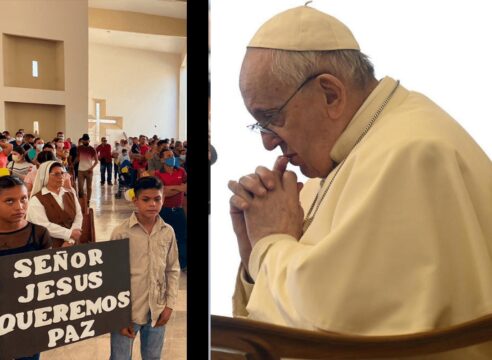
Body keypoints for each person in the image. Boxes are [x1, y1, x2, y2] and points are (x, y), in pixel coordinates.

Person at [227, 5, 492, 359]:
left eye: (271, 117)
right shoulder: (347, 155)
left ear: (330, 94)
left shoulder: (409, 154)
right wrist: (252, 255)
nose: (268, 142)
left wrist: (270, 245)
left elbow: (335, 332)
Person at [109, 176, 180, 359]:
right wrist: (118, 316)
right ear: (135, 201)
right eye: (146, 199)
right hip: (129, 312)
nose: (152, 204)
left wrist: (169, 305)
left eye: (157, 199)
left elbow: (172, 269)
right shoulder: (121, 232)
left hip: (157, 310)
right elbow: (112, 277)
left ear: (163, 199)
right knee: (120, 357)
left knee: (152, 357)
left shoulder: (167, 231)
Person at [0, 175, 52, 360]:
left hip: (29, 319)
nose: (19, 206)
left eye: (24, 199)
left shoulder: (39, 234)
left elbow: (50, 277)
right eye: (9, 201)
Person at [27, 161, 82, 248]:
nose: (61, 177)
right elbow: (43, 225)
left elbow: (78, 216)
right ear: (45, 177)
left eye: (62, 173)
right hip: (50, 247)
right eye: (56, 174)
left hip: (73, 244)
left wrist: (70, 240)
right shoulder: (36, 200)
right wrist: (69, 234)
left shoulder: (70, 194)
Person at [156, 150, 187, 271]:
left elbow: (186, 187)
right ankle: (163, 264)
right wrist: (180, 188)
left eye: (173, 156)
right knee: (163, 238)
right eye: (168, 156)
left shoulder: (181, 171)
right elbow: (162, 192)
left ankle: (182, 263)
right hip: (164, 210)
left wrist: (170, 188)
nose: (172, 158)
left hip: (178, 210)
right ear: (162, 160)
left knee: (181, 237)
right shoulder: (158, 174)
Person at [76, 133, 98, 204]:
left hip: (89, 171)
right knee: (80, 187)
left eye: (86, 140)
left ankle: (88, 200)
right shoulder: (79, 148)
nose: (85, 141)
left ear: (89, 141)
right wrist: (72, 164)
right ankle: (81, 201)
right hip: (80, 171)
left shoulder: (92, 149)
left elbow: (96, 161)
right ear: (82, 141)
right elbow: (78, 158)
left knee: (89, 187)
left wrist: (91, 168)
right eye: (84, 140)